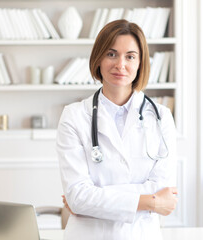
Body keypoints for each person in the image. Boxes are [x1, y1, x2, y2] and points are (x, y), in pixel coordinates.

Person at [56, 19, 178, 240]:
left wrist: (93, 202)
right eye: (111, 54)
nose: (120, 64)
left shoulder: (162, 117)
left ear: (140, 63)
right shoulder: (74, 116)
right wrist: (150, 202)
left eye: (130, 56)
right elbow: (78, 196)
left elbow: (163, 187)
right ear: (99, 58)